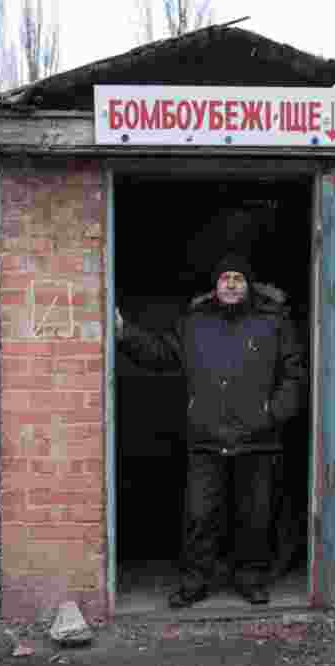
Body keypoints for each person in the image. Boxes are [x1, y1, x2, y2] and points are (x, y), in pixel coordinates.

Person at [115, 253, 307, 608]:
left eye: (238, 278)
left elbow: (293, 374)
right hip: (206, 438)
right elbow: (162, 354)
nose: (231, 283)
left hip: (258, 440)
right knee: (200, 517)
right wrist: (124, 334)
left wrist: (271, 414)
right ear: (215, 285)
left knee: (255, 516)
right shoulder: (194, 322)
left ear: (248, 285)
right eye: (225, 278)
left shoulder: (274, 322)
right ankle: (195, 582)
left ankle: (251, 580)